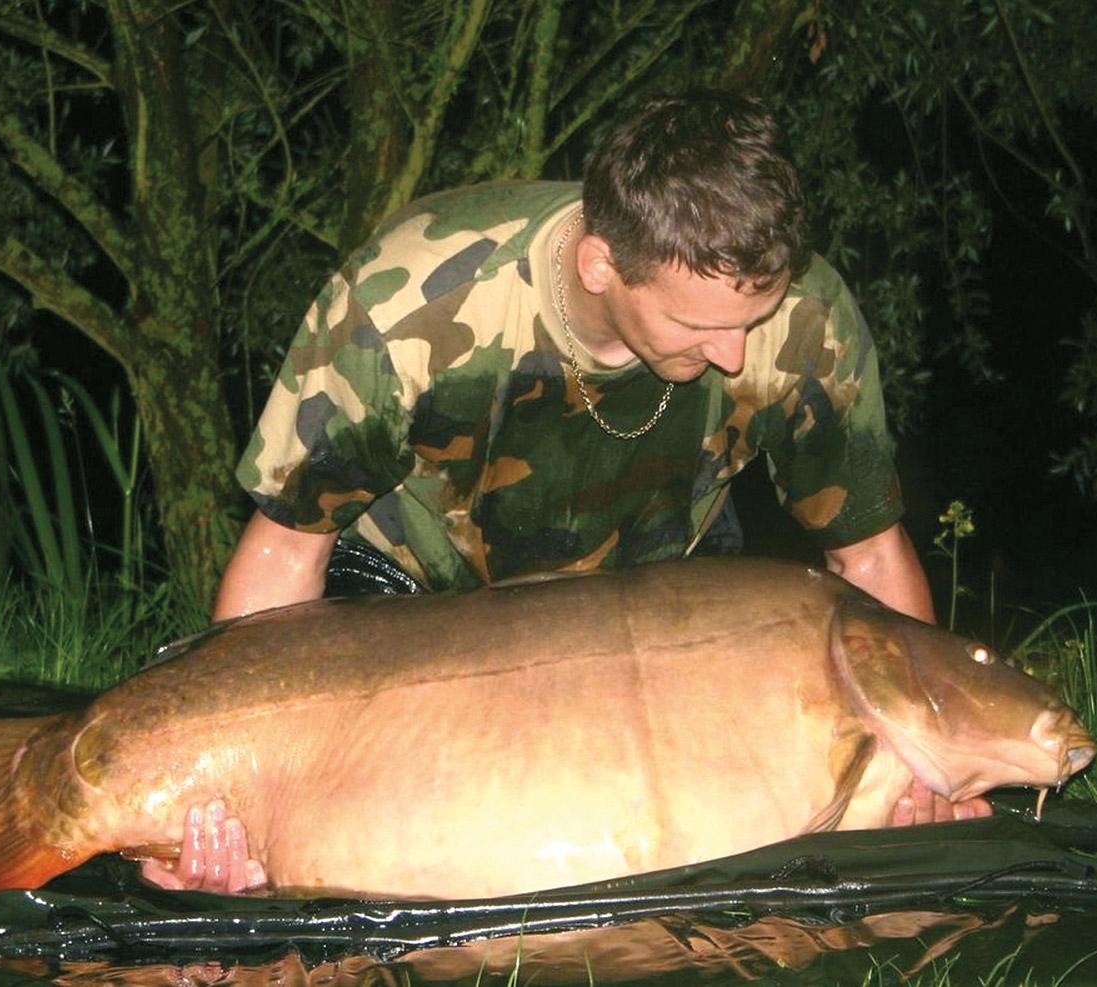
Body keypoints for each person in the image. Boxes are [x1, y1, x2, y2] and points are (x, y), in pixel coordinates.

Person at [142, 90, 979, 895]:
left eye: (751, 321)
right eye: (698, 326)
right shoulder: (407, 303)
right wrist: (227, 801)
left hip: (658, 592)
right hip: (410, 599)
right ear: (600, 264)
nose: (734, 354)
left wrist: (924, 764)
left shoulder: (801, 315)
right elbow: (286, 552)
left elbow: (868, 555)